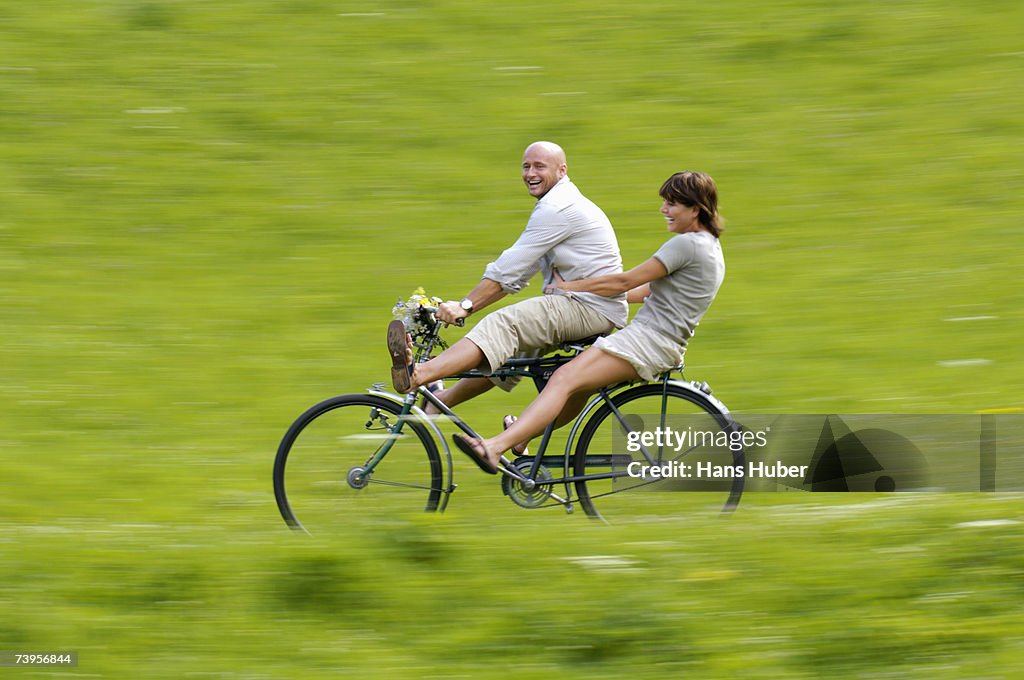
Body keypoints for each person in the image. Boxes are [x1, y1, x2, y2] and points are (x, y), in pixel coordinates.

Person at [452, 170, 726, 474]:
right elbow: (644, 291)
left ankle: (493, 447)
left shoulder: (686, 245)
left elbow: (623, 281)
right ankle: (521, 438)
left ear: (696, 208)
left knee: (563, 379)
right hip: (660, 343)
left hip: (647, 342)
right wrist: (597, 296)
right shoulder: (710, 248)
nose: (664, 210)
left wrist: (571, 287)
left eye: (672, 204)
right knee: (577, 388)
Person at [387, 142, 628, 423]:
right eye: (526, 166)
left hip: (587, 307)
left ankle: (419, 375)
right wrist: (471, 303)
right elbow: (519, 274)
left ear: (562, 171)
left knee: (503, 325)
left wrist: (466, 306)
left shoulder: (557, 208)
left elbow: (509, 269)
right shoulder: (559, 203)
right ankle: (445, 404)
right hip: (590, 307)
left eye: (540, 166)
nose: (530, 173)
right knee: (506, 352)